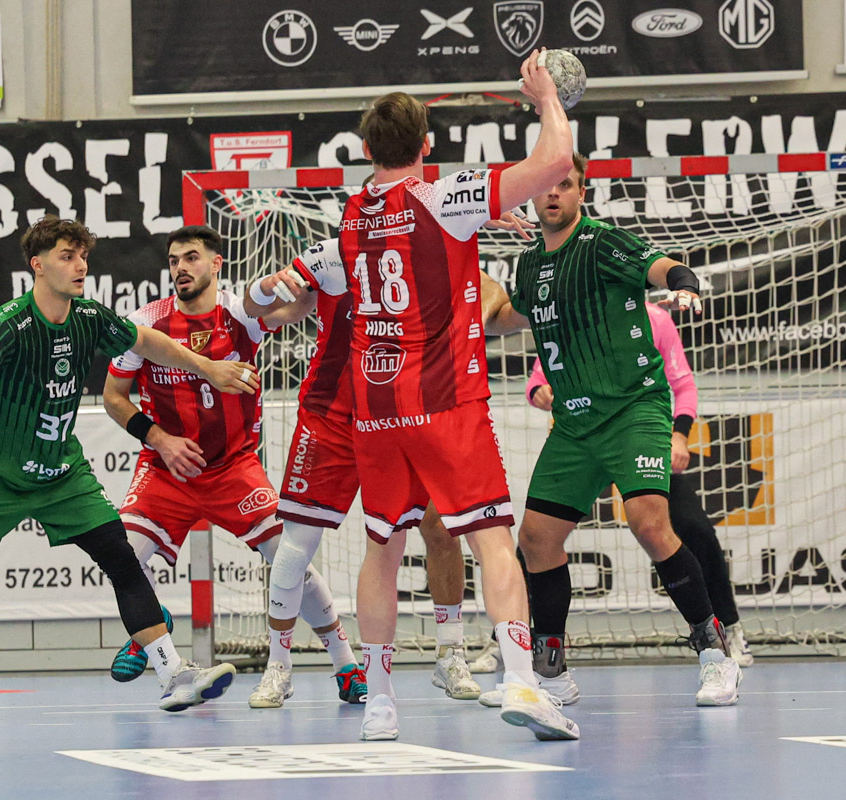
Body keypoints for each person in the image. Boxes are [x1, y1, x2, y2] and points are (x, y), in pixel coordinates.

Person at [268, 51, 580, 742]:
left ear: (365, 150)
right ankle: (521, 681)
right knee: (493, 541)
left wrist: (480, 221)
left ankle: (380, 703)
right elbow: (555, 160)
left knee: (382, 548)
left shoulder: (352, 216)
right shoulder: (445, 197)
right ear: (428, 144)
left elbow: (354, 263)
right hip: (445, 402)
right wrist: (546, 99)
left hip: (376, 411)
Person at [0, 216, 250, 723]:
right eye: (67, 257)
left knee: (122, 560)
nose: (80, 266)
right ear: (38, 265)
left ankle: (174, 674)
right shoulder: (10, 322)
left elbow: (147, 341)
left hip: (61, 474)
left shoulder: (89, 317)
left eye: (84, 257)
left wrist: (207, 367)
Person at [485, 153, 742, 707]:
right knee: (536, 540)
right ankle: (551, 672)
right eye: (545, 186)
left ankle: (716, 655)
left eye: (565, 184)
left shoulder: (602, 242)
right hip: (574, 423)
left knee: (649, 523)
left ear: (582, 192)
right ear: (532, 196)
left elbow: (659, 266)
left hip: (633, 409)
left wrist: (683, 281)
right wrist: (470, 303)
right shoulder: (528, 264)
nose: (554, 193)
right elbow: (510, 316)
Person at [246, 241, 526, 708]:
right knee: (296, 549)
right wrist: (263, 289)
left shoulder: (421, 249)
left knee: (439, 529)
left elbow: (488, 291)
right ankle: (279, 667)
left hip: (403, 413)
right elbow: (266, 311)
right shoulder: (330, 257)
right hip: (332, 418)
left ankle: (450, 653)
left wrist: (483, 314)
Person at [101, 225, 365, 703]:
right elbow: (113, 397)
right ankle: (152, 628)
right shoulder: (145, 322)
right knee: (120, 557)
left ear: (216, 263)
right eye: (174, 260)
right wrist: (160, 439)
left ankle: (345, 664)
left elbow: (299, 307)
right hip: (167, 469)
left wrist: (312, 277)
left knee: (290, 559)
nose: (181, 268)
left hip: (233, 467)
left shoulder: (239, 314)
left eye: (191, 257)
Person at [523, 302, 755, 671]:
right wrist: (538, 391)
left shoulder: (655, 319)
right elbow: (538, 378)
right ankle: (515, 641)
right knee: (536, 539)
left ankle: (726, 629)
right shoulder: (568, 310)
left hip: (637, 435)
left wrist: (679, 436)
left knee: (691, 528)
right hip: (584, 439)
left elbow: (683, 385)